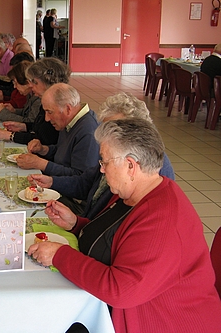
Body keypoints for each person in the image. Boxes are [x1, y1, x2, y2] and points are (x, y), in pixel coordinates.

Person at [28, 118, 221, 333]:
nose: (101, 170)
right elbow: (113, 238)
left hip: (161, 321)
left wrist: (59, 255)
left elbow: (121, 290)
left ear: (130, 165)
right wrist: (76, 224)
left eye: (105, 162)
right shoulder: (131, 193)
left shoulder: (163, 218)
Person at [28, 92, 175, 216]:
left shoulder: (152, 172)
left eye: (114, 130)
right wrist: (52, 181)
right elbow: (85, 182)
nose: (106, 136)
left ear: (138, 130)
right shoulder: (115, 153)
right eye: (105, 128)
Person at [16, 83, 99, 176]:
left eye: (50, 112)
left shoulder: (88, 131)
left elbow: (81, 179)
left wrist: (41, 164)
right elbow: (62, 153)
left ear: (67, 109)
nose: (46, 119)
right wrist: (43, 149)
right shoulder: (69, 120)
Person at [0, 57, 68, 146]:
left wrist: (10, 136)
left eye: (34, 82)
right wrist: (23, 126)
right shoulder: (45, 100)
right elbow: (39, 128)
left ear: (46, 82)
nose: (31, 85)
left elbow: (43, 139)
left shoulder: (55, 106)